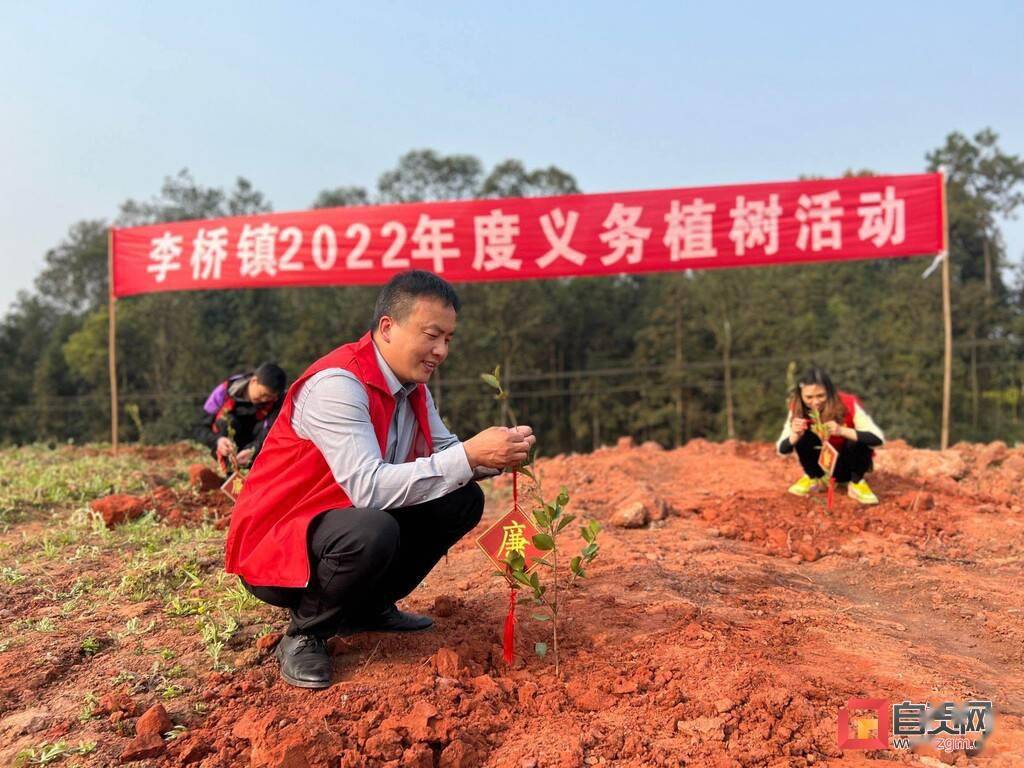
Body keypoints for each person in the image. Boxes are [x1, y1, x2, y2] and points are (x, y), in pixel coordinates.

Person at [225, 270, 536, 688]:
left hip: (339, 521)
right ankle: (306, 632)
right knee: (373, 529)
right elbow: (368, 487)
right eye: (431, 335)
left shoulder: (414, 390)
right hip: (280, 537)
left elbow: (446, 454)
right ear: (387, 327)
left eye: (448, 339)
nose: (441, 350)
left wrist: (493, 457)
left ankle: (369, 608)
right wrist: (469, 455)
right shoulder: (339, 384)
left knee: (461, 499)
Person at [776, 366, 884, 505]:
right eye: (809, 397)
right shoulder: (797, 408)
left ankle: (856, 483)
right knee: (803, 435)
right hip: (820, 466)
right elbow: (783, 449)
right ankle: (814, 478)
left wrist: (841, 431)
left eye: (821, 395)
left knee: (857, 438)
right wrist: (795, 436)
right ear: (800, 395)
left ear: (830, 392)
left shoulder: (848, 403)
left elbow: (876, 439)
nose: (815, 402)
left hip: (846, 465)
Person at [194, 363, 286, 469]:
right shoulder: (226, 390)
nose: (265, 400)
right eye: (263, 394)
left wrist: (253, 450)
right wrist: (217, 440)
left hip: (254, 450)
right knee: (227, 421)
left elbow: (272, 435)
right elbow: (199, 427)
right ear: (253, 381)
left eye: (270, 397)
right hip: (226, 445)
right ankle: (228, 468)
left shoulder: (276, 403)